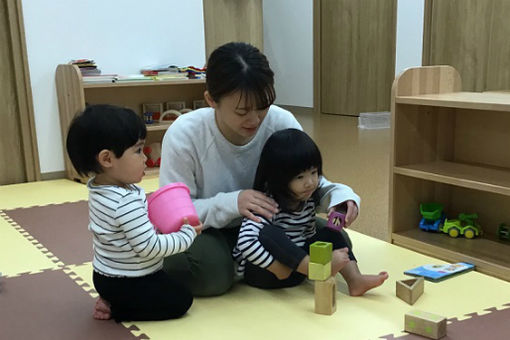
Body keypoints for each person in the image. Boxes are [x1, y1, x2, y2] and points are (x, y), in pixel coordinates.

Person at [160, 41, 348, 296]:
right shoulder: (185, 134)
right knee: (209, 274)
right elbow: (173, 214)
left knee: (338, 240)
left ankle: (263, 265)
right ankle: (254, 265)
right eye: (242, 111)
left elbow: (309, 179)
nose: (255, 119)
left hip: (271, 225)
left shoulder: (281, 122)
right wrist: (232, 203)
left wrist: (340, 198)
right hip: (210, 231)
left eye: (263, 107)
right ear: (211, 100)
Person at [66, 104, 202, 322]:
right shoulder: (124, 201)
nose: (145, 157)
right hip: (128, 280)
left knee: (170, 282)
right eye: (138, 150)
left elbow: (130, 228)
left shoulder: (100, 188)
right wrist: (186, 235)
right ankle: (117, 309)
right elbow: (149, 248)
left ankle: (112, 299)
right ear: (107, 159)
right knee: (182, 299)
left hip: (105, 275)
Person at [232, 128, 388, 294]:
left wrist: (339, 217)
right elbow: (245, 241)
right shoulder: (266, 204)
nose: (310, 182)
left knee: (332, 232)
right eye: (300, 177)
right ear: (278, 178)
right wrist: (276, 266)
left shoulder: (307, 199)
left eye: (314, 173)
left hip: (298, 271)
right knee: (268, 233)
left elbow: (309, 234)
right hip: (268, 273)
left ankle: (355, 280)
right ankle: (312, 268)